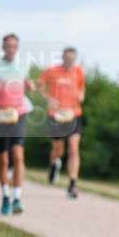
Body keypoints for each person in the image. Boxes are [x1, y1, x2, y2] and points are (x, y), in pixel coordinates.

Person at [0, 33, 35, 215]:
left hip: (18, 113)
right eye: (8, 46)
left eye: (14, 46)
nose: (11, 49)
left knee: (18, 155)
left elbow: (26, 83)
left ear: (17, 48)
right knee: (3, 158)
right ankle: (5, 195)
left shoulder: (23, 65)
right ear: (3, 47)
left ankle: (17, 198)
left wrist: (30, 85)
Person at [38, 46, 86, 199]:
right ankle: (54, 163)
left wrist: (81, 95)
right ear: (63, 57)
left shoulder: (79, 71)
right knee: (58, 149)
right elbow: (39, 84)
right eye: (67, 58)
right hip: (56, 114)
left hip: (74, 114)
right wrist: (48, 99)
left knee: (74, 147)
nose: (70, 61)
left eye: (72, 58)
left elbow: (82, 88)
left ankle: (72, 185)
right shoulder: (52, 71)